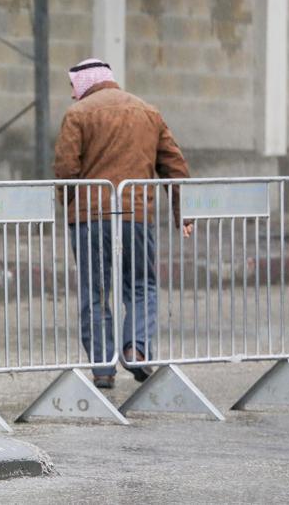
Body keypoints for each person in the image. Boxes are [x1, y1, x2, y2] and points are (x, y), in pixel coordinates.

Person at [53, 59, 191, 390]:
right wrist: (183, 213)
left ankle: (103, 368)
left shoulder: (77, 114)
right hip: (136, 215)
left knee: (95, 291)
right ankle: (137, 349)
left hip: (90, 218)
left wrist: (68, 203)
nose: (72, 94)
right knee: (142, 285)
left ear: (86, 81)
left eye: (73, 86)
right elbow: (175, 167)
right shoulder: (148, 112)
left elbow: (66, 169)